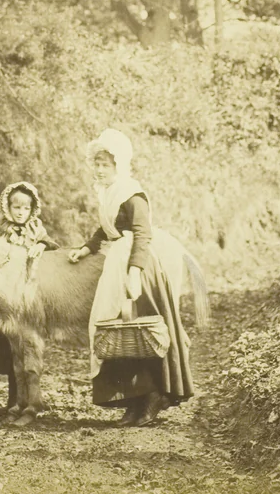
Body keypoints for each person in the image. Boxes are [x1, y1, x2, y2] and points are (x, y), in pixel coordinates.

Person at [68, 129, 195, 427]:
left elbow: (142, 233)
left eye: (105, 164)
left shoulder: (132, 193)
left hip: (140, 265)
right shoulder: (109, 193)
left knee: (143, 330)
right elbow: (107, 229)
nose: (99, 169)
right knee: (119, 331)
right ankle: (134, 399)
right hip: (117, 260)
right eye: (96, 164)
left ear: (119, 165)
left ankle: (154, 396)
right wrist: (87, 248)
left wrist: (135, 272)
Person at [0, 181, 60, 423]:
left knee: (19, 350)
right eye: (16, 207)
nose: (21, 213)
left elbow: (53, 245)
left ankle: (18, 403)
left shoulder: (36, 229)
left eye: (25, 208)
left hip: (24, 300)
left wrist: (40, 246)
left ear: (32, 209)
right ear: (7, 207)